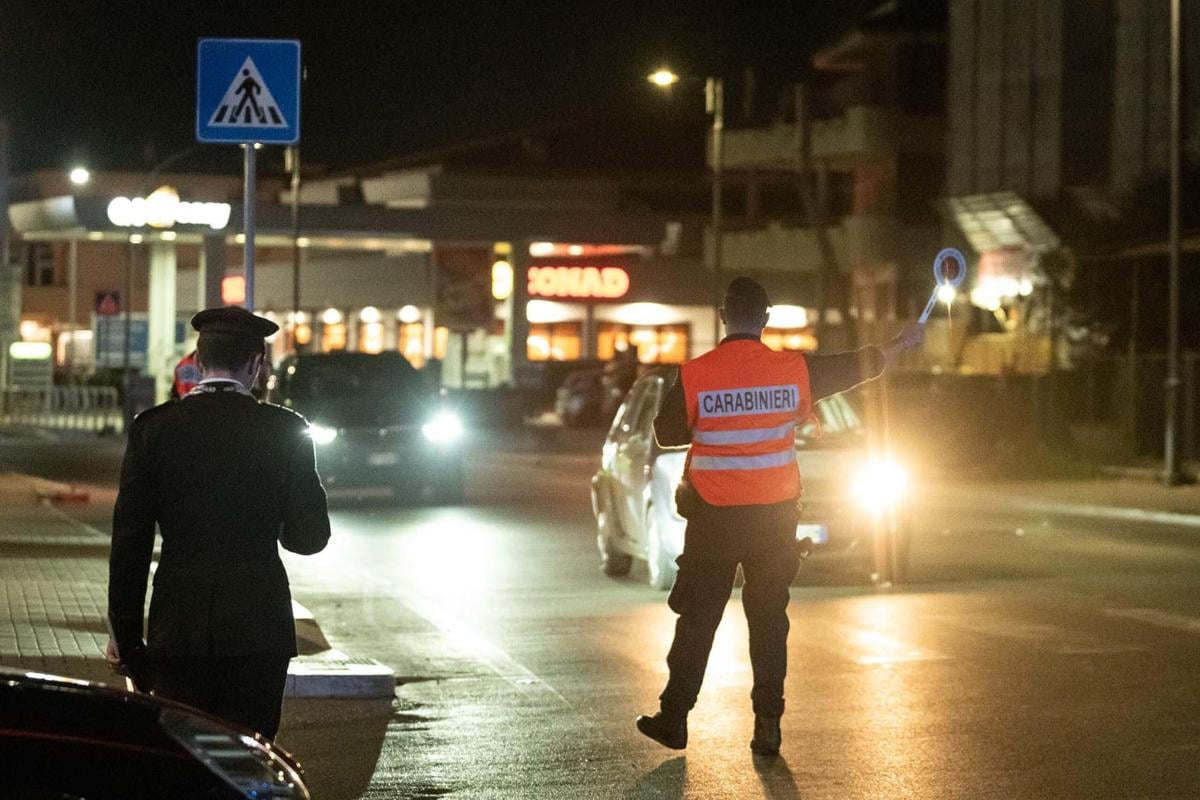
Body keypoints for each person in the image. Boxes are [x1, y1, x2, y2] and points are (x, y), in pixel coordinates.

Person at [635, 276, 923, 756]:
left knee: (699, 618)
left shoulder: (696, 373)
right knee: (769, 621)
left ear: (724, 316)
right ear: (765, 319)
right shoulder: (793, 371)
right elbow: (858, 367)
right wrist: (902, 342)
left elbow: (666, 434)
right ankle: (768, 726)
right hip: (773, 521)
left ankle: (674, 718)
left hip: (714, 522)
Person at [106, 305, 331, 739]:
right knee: (251, 757)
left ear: (196, 362)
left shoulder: (153, 429)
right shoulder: (286, 431)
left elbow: (129, 541)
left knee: (189, 758)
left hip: (178, 625)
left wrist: (127, 638)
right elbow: (309, 539)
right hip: (258, 626)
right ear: (256, 365)